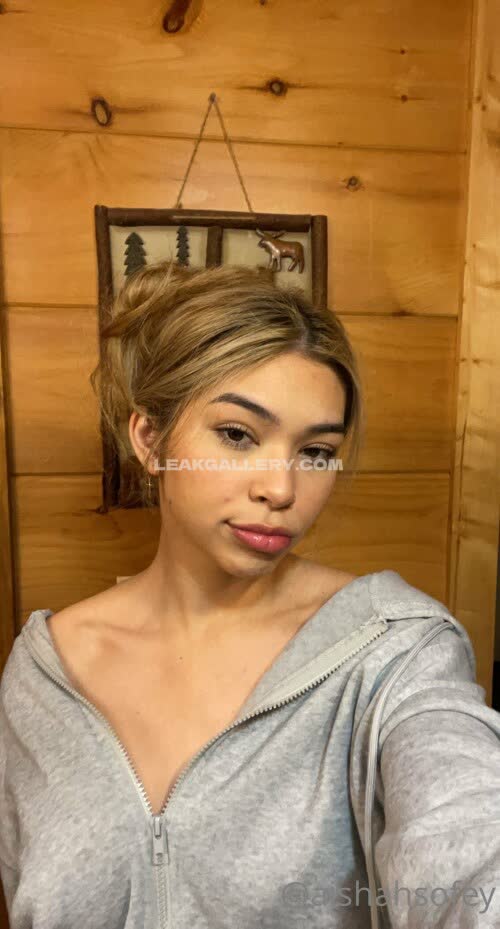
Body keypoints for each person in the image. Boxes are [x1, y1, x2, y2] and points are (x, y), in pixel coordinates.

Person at [0, 261, 499, 929]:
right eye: (238, 435)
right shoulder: (41, 673)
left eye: (316, 451)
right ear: (150, 439)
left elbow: (469, 840)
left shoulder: (396, 654)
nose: (282, 489)